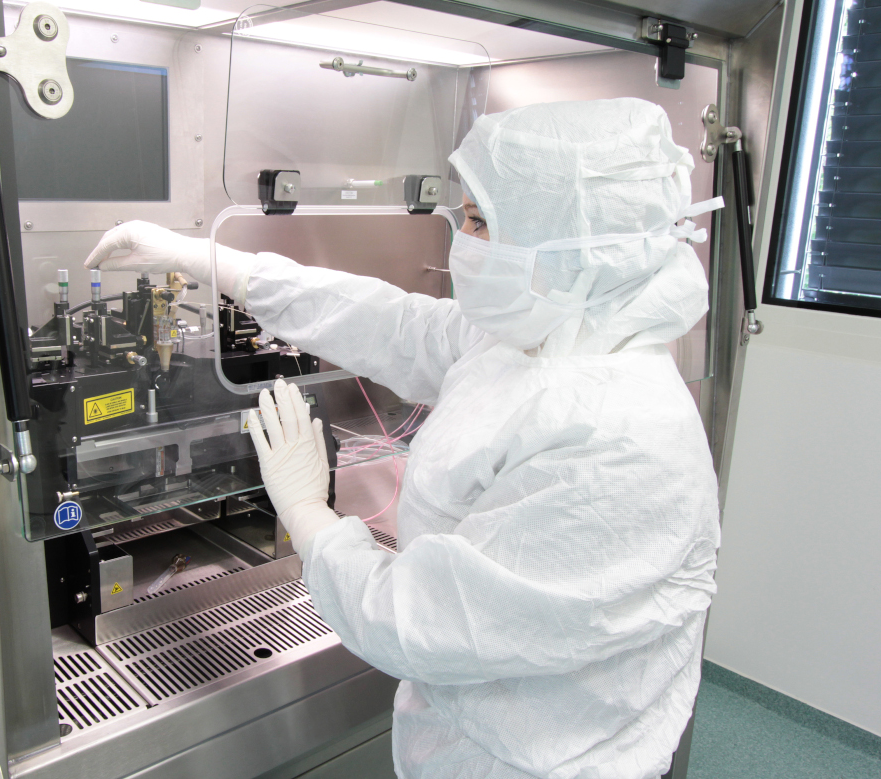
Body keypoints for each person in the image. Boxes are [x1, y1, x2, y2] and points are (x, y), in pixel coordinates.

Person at [85, 98, 722, 779]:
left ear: (570, 243)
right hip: (471, 731)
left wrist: (310, 518)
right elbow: (395, 325)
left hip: (546, 760)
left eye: (481, 222)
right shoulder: (543, 332)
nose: (461, 244)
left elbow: (418, 621)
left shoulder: (618, 442)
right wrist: (218, 263)